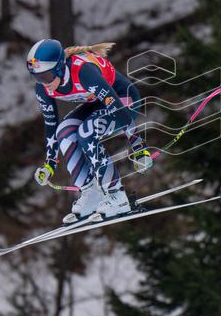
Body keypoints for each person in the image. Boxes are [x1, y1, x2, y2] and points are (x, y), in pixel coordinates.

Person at [26, 38, 152, 224]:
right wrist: (50, 164)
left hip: (124, 101)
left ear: (60, 68)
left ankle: (116, 195)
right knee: (65, 131)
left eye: (45, 77)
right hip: (96, 104)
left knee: (86, 131)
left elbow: (117, 108)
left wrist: (139, 147)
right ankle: (90, 193)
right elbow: (51, 124)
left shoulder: (84, 72)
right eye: (37, 77)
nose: (43, 83)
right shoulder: (44, 89)